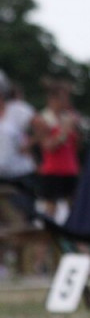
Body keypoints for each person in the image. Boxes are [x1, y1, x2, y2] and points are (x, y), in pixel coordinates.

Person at [31, 77, 83, 219]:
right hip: (52, 171)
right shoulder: (42, 119)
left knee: (76, 210)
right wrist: (64, 132)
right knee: (50, 210)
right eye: (63, 98)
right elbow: (48, 146)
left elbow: (77, 147)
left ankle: (77, 240)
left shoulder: (70, 117)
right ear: (53, 99)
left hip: (70, 170)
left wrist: (76, 130)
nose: (66, 101)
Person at [0, 70, 39, 212]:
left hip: (20, 177)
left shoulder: (18, 110)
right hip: (2, 177)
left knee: (22, 215)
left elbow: (43, 128)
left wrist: (28, 145)